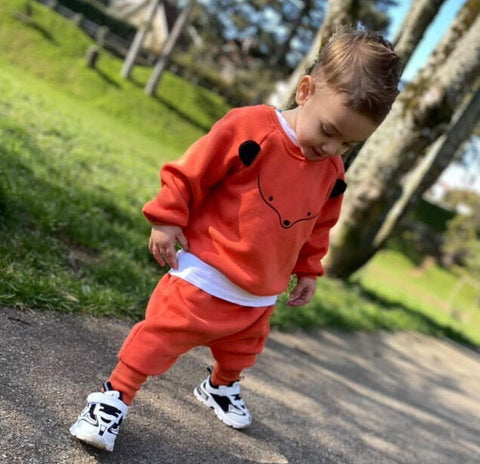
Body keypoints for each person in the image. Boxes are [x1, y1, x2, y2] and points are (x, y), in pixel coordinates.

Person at [70, 28, 401, 452]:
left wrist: (308, 271)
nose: (332, 147)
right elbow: (190, 172)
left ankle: (219, 386)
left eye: (349, 143)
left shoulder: (332, 174)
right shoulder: (251, 129)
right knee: (158, 339)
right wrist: (167, 218)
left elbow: (318, 226)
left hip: (260, 293)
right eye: (329, 130)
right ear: (305, 91)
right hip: (206, 273)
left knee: (243, 351)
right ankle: (112, 397)